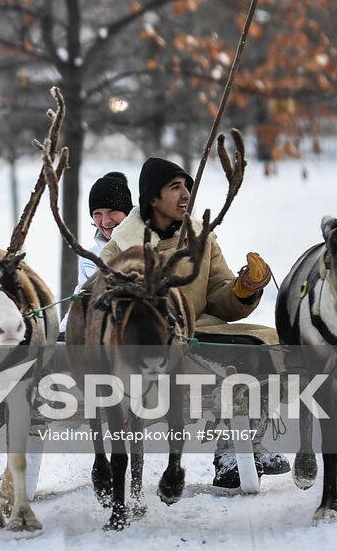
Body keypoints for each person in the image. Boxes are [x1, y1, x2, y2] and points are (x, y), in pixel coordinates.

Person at [99, 156, 289, 487]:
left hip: (203, 329)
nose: (186, 194)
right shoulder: (120, 248)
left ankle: (240, 447)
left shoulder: (202, 240)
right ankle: (234, 448)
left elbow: (220, 297)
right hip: (151, 344)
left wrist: (245, 288)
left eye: (187, 185)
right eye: (175, 187)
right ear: (152, 199)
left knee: (268, 342)